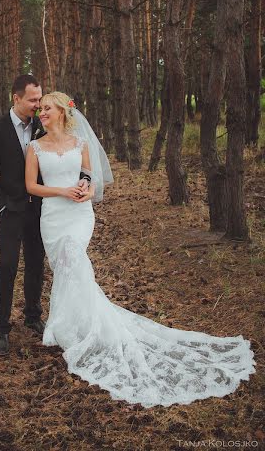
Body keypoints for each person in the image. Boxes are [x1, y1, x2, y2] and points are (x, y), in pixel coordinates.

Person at [25, 91, 256, 408]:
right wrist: (63, 190)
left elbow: (90, 179)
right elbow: (32, 187)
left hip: (79, 215)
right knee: (66, 268)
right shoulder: (35, 147)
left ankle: (77, 327)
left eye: (47, 109)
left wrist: (85, 189)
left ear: (63, 112)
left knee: (74, 260)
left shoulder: (80, 144)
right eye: (40, 110)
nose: (42, 114)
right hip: (52, 215)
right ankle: (71, 324)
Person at [0, 75, 89, 355]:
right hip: (11, 209)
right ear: (16, 98)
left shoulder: (44, 124)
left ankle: (32, 316)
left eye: (40, 100)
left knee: (36, 265)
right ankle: (2, 327)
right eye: (33, 100)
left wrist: (84, 183)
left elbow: (67, 155)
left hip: (42, 209)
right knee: (7, 266)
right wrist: (0, 204)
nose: (38, 105)